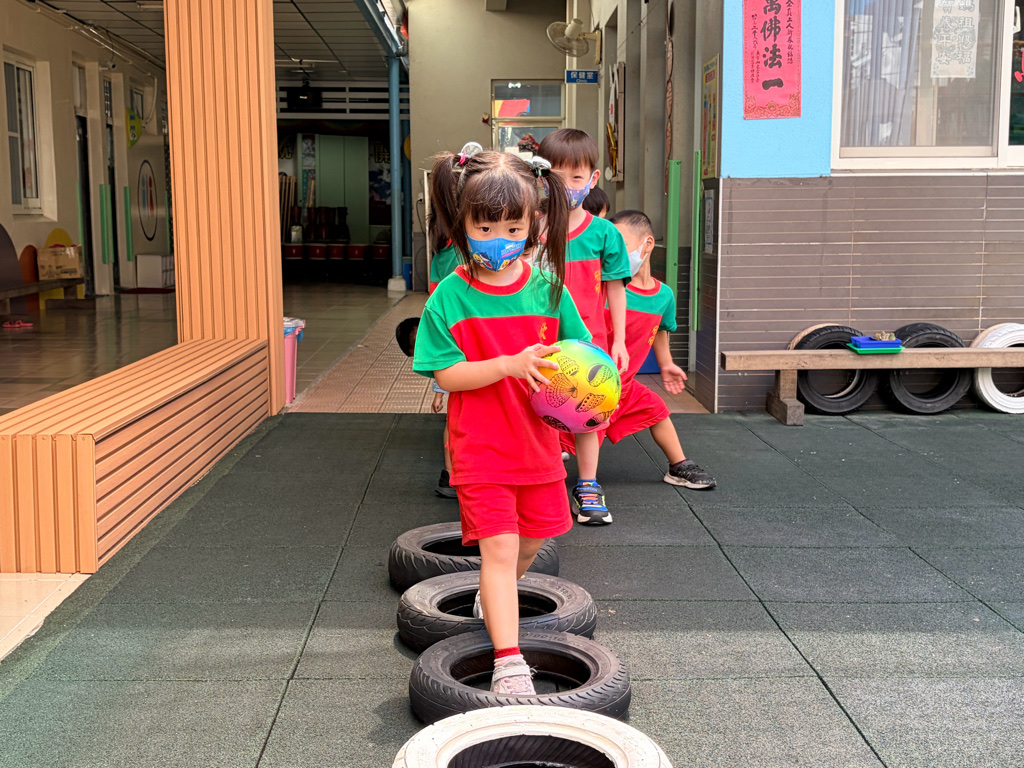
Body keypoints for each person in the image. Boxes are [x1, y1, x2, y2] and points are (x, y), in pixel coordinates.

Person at [412, 149, 586, 697]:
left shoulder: (548, 289)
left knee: (533, 540)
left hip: (538, 446)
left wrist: (586, 390)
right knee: (501, 547)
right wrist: (507, 365)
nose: (498, 238)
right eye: (484, 227)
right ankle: (508, 659)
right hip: (480, 448)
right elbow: (445, 375)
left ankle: (496, 594)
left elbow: (580, 353)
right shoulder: (451, 295)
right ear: (462, 224)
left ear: (534, 223)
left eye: (513, 227)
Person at [537, 128, 631, 525]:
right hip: (540, 342)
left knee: (588, 413)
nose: (565, 185)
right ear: (541, 178)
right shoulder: (529, 228)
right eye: (555, 176)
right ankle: (539, 478)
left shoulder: (605, 233)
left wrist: (620, 341)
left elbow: (616, 289)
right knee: (536, 406)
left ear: (592, 179)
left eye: (575, 177)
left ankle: (588, 483)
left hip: (589, 343)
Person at [593, 209, 714, 489]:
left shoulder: (664, 295)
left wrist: (666, 363)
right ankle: (576, 482)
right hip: (593, 384)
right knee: (573, 437)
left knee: (656, 408)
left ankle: (678, 465)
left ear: (647, 244)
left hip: (625, 385)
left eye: (620, 244)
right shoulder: (606, 290)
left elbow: (660, 329)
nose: (612, 253)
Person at [420, 142, 484, 498]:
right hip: (465, 350)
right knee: (463, 418)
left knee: (459, 417)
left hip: (461, 350)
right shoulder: (459, 260)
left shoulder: (444, 251)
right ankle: (453, 475)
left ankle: (452, 475)